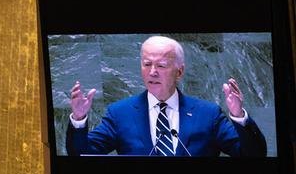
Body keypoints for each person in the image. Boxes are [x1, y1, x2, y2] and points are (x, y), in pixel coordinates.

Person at [66, 35, 267, 157]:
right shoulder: (120, 114)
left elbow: (252, 155)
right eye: (146, 64)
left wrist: (239, 115)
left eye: (161, 65)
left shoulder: (208, 114)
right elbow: (82, 153)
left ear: (179, 72)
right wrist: (78, 119)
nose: (152, 72)